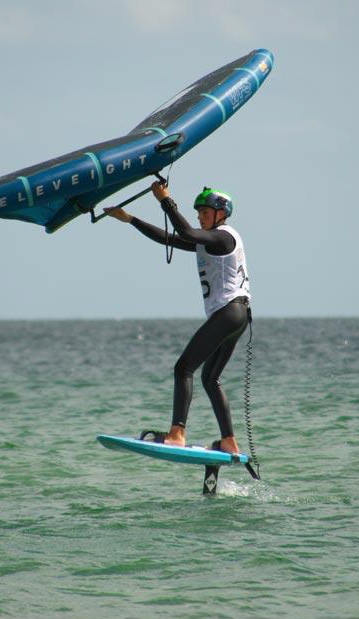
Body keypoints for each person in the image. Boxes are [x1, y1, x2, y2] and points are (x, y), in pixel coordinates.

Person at [103, 181, 251, 455]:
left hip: (229, 312)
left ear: (221, 213)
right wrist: (130, 219)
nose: (200, 217)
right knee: (210, 378)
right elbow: (169, 238)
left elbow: (183, 231)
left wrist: (165, 199)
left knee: (184, 368)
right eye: (198, 213)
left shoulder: (223, 236)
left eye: (204, 212)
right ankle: (229, 441)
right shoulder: (210, 241)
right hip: (237, 316)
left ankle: (177, 434)